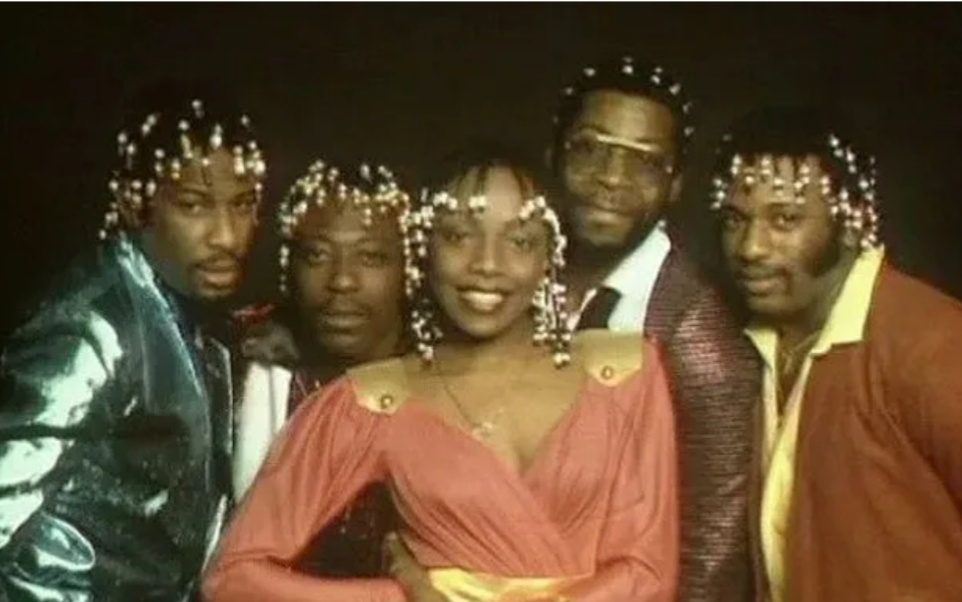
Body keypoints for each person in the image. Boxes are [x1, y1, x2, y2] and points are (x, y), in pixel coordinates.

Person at [204, 144, 680, 602]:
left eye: (519, 241)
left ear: (550, 256)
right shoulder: (374, 400)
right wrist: (396, 597)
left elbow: (649, 577)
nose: (486, 265)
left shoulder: (623, 374)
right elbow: (232, 580)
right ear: (423, 247)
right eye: (457, 236)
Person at [0, 86, 267, 601]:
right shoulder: (90, 325)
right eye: (194, 205)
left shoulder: (196, 314)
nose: (227, 237)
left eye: (242, 204)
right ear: (131, 202)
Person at [711, 104, 962, 602]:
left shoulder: (930, 342)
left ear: (852, 223)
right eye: (736, 219)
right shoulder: (742, 345)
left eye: (785, 219)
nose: (751, 247)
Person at [549, 56, 759, 602]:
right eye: (590, 147)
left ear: (675, 185)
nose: (611, 177)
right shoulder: (510, 280)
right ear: (555, 153)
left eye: (645, 161)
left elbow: (711, 556)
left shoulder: (700, 336)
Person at [233, 160, 411, 577]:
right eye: (316, 255)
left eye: (371, 257)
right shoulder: (243, 367)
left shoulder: (449, 380)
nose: (342, 281)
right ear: (289, 268)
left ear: (409, 269)